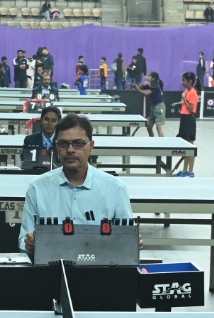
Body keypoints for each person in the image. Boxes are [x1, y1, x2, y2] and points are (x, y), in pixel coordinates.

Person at [19, 115, 133, 254]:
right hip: (50, 264)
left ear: (91, 146)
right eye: (63, 144)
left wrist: (131, 242)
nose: (70, 150)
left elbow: (126, 238)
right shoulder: (37, 188)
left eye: (78, 143)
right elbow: (24, 239)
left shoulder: (115, 188)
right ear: (56, 147)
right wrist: (29, 243)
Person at [22, 104, 63, 169]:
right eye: (46, 119)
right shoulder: (29, 140)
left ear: (58, 123)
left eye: (53, 121)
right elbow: (25, 161)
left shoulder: (63, 141)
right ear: (41, 120)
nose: (49, 124)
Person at [139, 72, 166, 166]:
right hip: (153, 107)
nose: (147, 76)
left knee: (159, 127)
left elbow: (145, 93)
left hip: (160, 107)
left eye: (149, 76)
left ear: (153, 78)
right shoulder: (150, 84)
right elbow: (141, 88)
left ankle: (163, 147)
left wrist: (136, 88)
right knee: (149, 127)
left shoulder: (155, 86)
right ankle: (153, 143)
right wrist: (144, 83)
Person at [175, 71, 199, 177]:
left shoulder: (193, 93)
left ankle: (190, 172)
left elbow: (191, 109)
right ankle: (184, 170)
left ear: (190, 81)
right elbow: (186, 108)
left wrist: (184, 98)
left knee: (190, 146)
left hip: (189, 120)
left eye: (184, 80)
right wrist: (182, 112)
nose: (182, 82)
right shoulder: (187, 91)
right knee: (186, 147)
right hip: (184, 118)